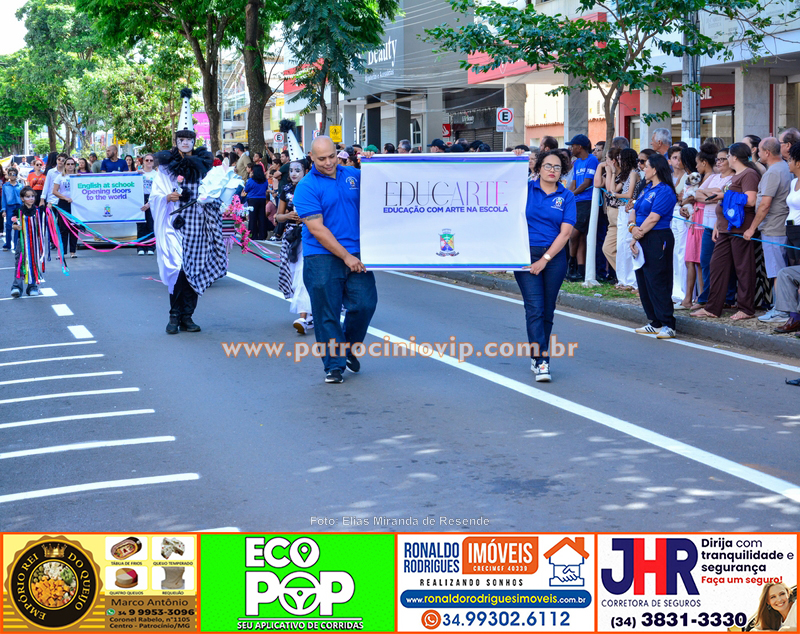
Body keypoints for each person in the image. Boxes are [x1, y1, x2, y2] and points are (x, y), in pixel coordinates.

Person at [293, 136, 377, 384]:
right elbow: (317, 229)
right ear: (311, 157)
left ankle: (348, 349)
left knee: (364, 304)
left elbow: (382, 188)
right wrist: (345, 256)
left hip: (357, 251)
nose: (329, 162)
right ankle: (334, 366)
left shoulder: (352, 174)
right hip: (322, 255)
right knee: (326, 311)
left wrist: (374, 164)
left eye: (332, 156)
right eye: (321, 159)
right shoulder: (306, 187)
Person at [150, 88, 227, 335]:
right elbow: (155, 195)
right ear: (176, 142)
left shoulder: (204, 165)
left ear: (194, 141)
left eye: (189, 140)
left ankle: (188, 316)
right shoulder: (165, 167)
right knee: (177, 269)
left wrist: (209, 199)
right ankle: (174, 316)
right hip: (174, 223)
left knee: (194, 268)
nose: (185, 143)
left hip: (198, 224)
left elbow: (215, 194)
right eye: (181, 140)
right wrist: (166, 197)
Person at [514, 150, 576, 382]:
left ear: (563, 171)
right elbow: (503, 181)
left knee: (547, 310)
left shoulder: (566, 196)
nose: (552, 170)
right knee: (535, 308)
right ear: (538, 168)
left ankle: (536, 353)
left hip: (554, 258)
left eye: (557, 167)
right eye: (548, 166)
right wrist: (516, 157)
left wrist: (545, 260)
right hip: (525, 256)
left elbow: (566, 232)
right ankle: (541, 361)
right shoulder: (524, 190)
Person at [692, 143, 761, 320]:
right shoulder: (735, 176)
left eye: (728, 156)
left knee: (743, 268)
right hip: (725, 228)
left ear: (735, 157)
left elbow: (751, 201)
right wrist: (717, 224)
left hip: (740, 228)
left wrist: (724, 195)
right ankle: (712, 307)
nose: (726, 159)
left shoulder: (749, 174)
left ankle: (746, 309)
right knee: (717, 266)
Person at [630, 153, 678, 338]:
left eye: (646, 165)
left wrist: (637, 234)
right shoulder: (647, 188)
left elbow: (653, 218)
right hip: (641, 236)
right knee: (643, 280)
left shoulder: (665, 191)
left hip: (658, 237)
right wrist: (632, 229)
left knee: (658, 279)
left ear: (655, 169)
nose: (643, 168)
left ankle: (668, 323)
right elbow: (633, 209)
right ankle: (655, 321)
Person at [748, 137, 792, 323]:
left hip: (774, 227)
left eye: (758, 150)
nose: (757, 153)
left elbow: (765, 204)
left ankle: (780, 310)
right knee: (780, 269)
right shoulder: (784, 167)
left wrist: (752, 228)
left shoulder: (774, 172)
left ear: (767, 152)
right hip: (780, 226)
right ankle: (781, 308)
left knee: (776, 271)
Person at [276, 157, 313, 334]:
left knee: (303, 275)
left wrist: (306, 217)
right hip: (291, 238)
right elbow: (278, 216)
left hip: (311, 235)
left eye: (297, 170)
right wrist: (289, 216)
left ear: (306, 171)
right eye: (291, 170)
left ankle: (303, 316)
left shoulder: (313, 187)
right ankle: (309, 313)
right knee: (293, 275)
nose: (293, 174)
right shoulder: (286, 189)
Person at [677, 143, 716, 309]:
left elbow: (697, 197)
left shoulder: (711, 178)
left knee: (698, 262)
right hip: (694, 219)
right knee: (690, 260)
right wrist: (685, 207)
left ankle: (700, 298)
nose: (696, 165)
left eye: (698, 162)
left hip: (701, 222)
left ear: (704, 162)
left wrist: (685, 201)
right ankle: (690, 298)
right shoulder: (703, 177)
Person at [565, 134, 598, 282]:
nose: (570, 148)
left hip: (586, 201)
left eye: (572, 145)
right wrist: (569, 196)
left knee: (573, 234)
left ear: (579, 147)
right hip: (576, 202)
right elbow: (573, 182)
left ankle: (571, 265)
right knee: (579, 237)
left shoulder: (592, 160)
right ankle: (579, 269)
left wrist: (572, 195)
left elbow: (586, 183)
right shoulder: (577, 162)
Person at [603, 148, 639, 285]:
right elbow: (611, 189)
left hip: (628, 210)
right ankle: (624, 279)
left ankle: (631, 280)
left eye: (620, 159)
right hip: (622, 211)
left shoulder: (634, 173)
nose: (618, 161)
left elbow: (629, 195)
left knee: (626, 245)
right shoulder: (626, 174)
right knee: (619, 247)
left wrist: (615, 195)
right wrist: (611, 171)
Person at [669, 146, 697, 304]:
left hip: (686, 216)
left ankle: (683, 292)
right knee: (676, 252)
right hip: (678, 214)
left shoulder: (692, 176)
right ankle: (677, 289)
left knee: (682, 253)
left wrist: (682, 200)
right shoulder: (684, 176)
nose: (678, 162)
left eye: (681, 158)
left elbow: (691, 196)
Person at [9, 187, 42, 297]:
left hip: (34, 242)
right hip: (22, 241)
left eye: (32, 196)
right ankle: (16, 287)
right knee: (19, 262)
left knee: (33, 262)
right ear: (22, 198)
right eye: (28, 197)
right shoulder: (19, 211)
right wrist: (16, 226)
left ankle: (32, 287)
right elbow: (13, 224)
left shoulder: (37, 210)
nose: (31, 198)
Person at [52, 157, 78, 258]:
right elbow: (54, 191)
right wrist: (65, 198)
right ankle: (62, 251)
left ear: (74, 165)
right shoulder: (60, 177)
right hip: (63, 203)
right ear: (65, 165)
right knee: (63, 228)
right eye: (68, 164)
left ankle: (73, 252)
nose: (70, 166)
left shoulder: (77, 176)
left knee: (74, 227)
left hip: (75, 204)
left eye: (72, 164)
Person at [241, 163, 272, 240]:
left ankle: (253, 234)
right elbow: (265, 188)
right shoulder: (265, 181)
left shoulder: (251, 180)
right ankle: (262, 235)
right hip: (262, 199)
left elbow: (246, 190)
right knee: (261, 217)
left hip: (252, 200)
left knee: (253, 217)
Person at [137, 153, 156, 256]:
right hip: (140, 198)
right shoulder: (138, 173)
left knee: (151, 224)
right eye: (147, 160)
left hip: (152, 198)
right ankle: (140, 246)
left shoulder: (156, 174)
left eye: (151, 160)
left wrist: (149, 203)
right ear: (143, 161)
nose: (149, 162)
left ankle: (151, 247)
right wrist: (135, 174)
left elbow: (157, 191)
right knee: (141, 224)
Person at [2, 167, 23, 251]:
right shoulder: (5, 186)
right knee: (8, 226)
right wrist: (3, 210)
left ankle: (16, 245)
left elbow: (23, 197)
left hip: (18, 207)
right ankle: (7, 244)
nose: (12, 176)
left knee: (17, 226)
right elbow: (3, 198)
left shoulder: (20, 185)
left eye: (13, 174)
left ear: (16, 175)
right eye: (10, 174)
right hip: (9, 207)